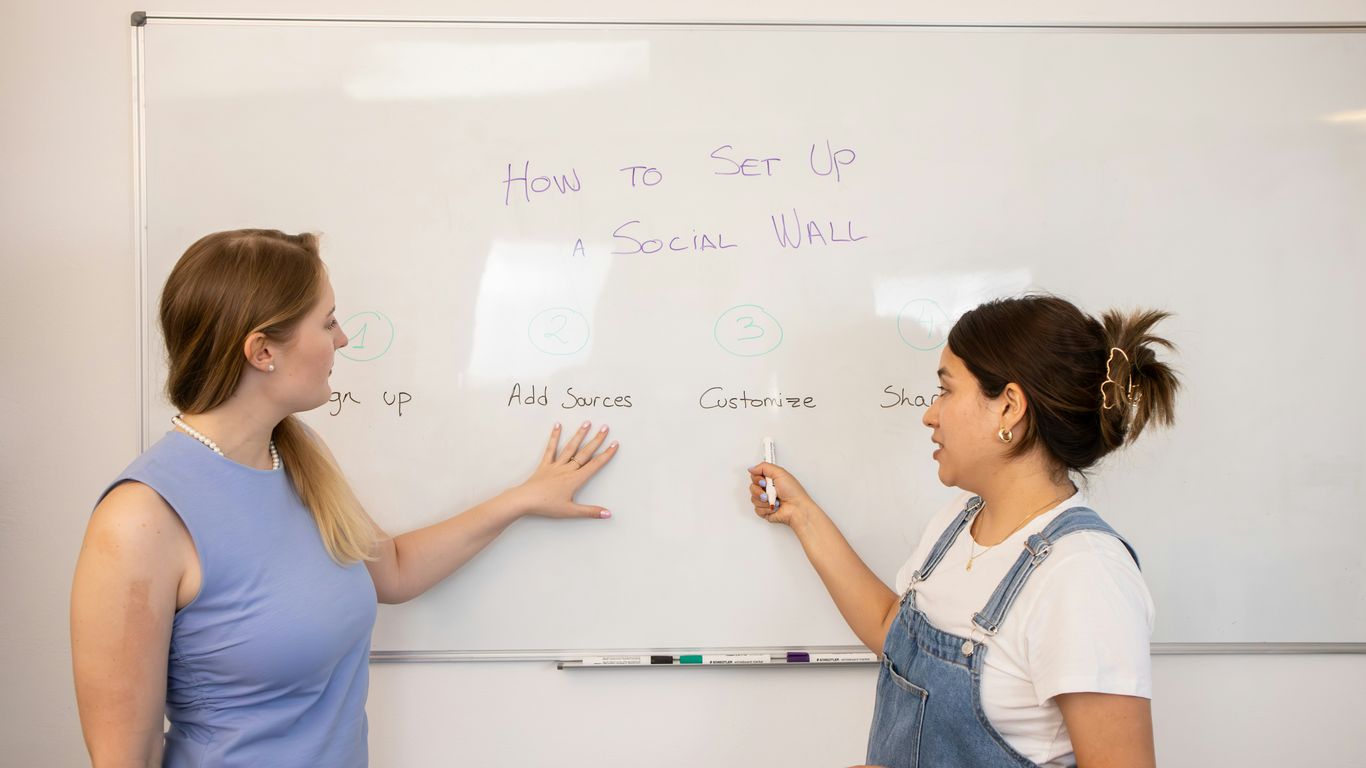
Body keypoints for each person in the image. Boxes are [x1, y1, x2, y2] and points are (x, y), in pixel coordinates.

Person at [70, 229, 618, 767]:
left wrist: (521, 499)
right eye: (327, 321)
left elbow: (393, 571)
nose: (343, 339)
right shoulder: (141, 519)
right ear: (263, 351)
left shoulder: (294, 453)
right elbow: (125, 757)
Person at [749, 295, 1178, 768]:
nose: (930, 414)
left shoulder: (1085, 577)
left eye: (946, 390)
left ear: (1008, 408)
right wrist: (802, 515)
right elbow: (892, 627)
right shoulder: (960, 520)